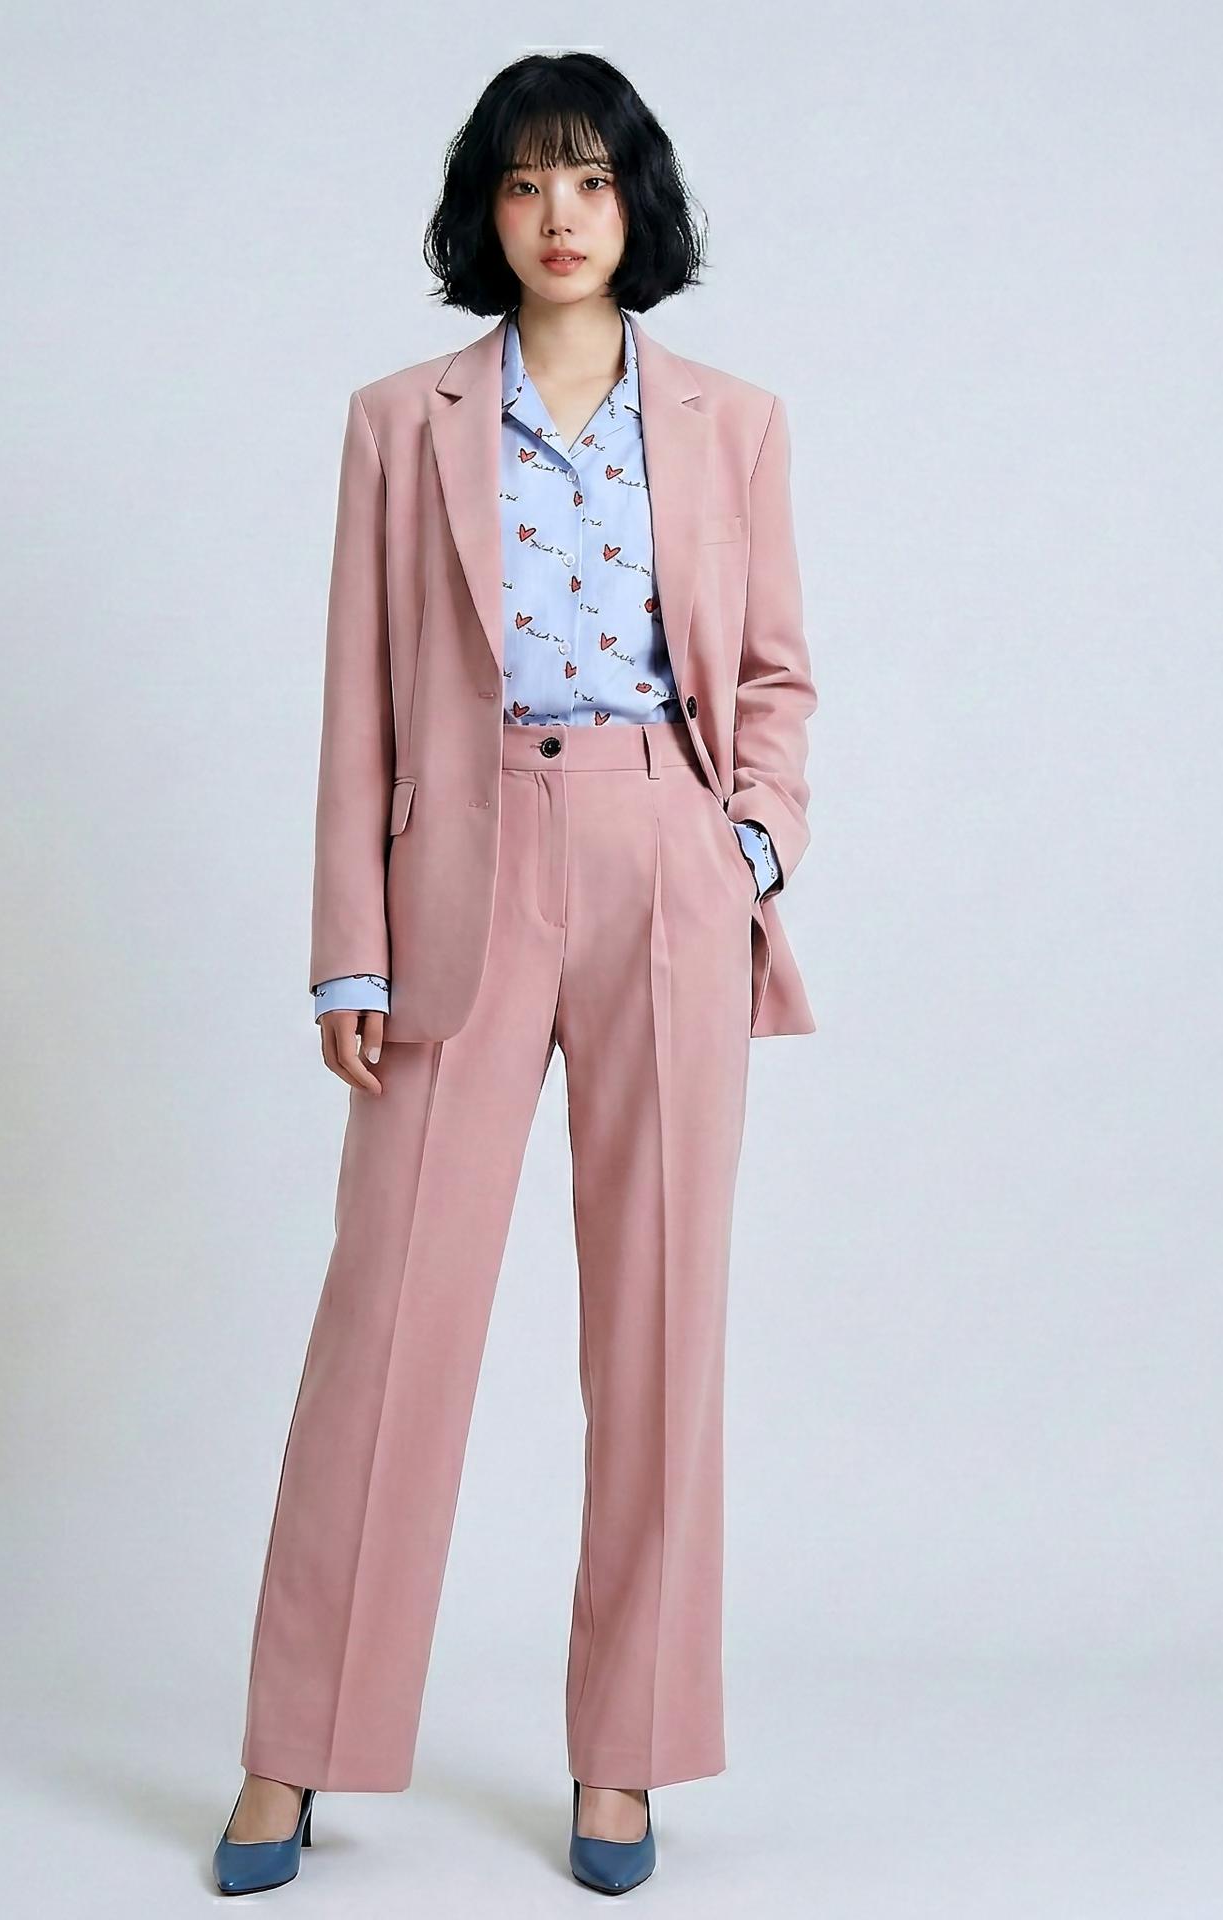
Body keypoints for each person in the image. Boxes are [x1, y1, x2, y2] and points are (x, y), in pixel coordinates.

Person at [215, 49, 817, 1898]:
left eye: (593, 180)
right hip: (459, 876)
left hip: (664, 867)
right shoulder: (400, 423)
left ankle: (624, 1758)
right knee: (389, 1319)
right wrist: (348, 953)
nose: (562, 216)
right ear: (486, 212)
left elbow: (775, 673)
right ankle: (295, 1748)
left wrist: (746, 848)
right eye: (526, 182)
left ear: (640, 205)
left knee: (658, 1324)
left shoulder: (731, 420)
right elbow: (357, 701)